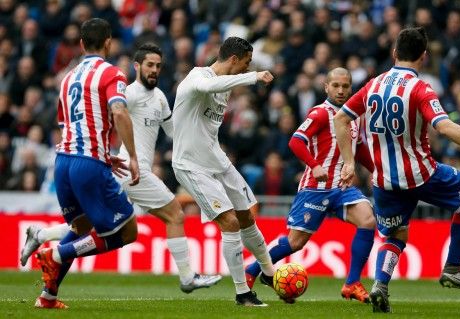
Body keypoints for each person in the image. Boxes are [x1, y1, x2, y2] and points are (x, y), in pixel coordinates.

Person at [20, 43, 222, 293]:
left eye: (158, 66)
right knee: (175, 215)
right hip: (132, 171)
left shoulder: (159, 98)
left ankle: (41, 244)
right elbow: (108, 115)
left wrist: (199, 127)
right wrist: (106, 154)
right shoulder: (129, 93)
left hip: (129, 171)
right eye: (149, 65)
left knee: (85, 227)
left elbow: (174, 133)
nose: (154, 70)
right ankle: (187, 277)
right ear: (137, 66)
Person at [333, 27, 460, 313]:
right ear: (424, 57)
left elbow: (339, 119)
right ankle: (454, 267)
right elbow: (444, 126)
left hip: (383, 180)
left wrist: (349, 162)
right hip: (421, 174)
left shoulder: (373, 84)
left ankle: (380, 285)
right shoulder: (420, 88)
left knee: (396, 234)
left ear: (394, 52)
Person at [34, 18, 140, 309]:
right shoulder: (112, 73)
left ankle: (48, 297)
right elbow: (118, 112)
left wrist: (105, 156)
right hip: (88, 163)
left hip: (63, 163)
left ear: (81, 44)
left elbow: (67, 124)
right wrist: (132, 156)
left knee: (81, 227)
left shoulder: (67, 78)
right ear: (109, 42)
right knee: (128, 232)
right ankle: (56, 253)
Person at [245, 68, 376, 303]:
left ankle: (352, 283)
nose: (341, 90)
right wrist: (314, 165)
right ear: (326, 87)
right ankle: (252, 271)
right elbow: (296, 141)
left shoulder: (353, 118)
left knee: (368, 221)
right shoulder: (320, 113)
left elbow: (361, 150)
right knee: (294, 243)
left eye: (345, 86)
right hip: (315, 188)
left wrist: (379, 172)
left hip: (343, 188)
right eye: (335, 85)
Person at [171, 37, 275, 307]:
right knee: (229, 222)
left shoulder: (225, 87)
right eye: (246, 62)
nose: (246, 67)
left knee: (246, 216)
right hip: (191, 165)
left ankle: (269, 273)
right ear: (234, 60)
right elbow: (209, 85)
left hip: (216, 160)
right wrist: (253, 77)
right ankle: (242, 293)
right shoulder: (197, 77)